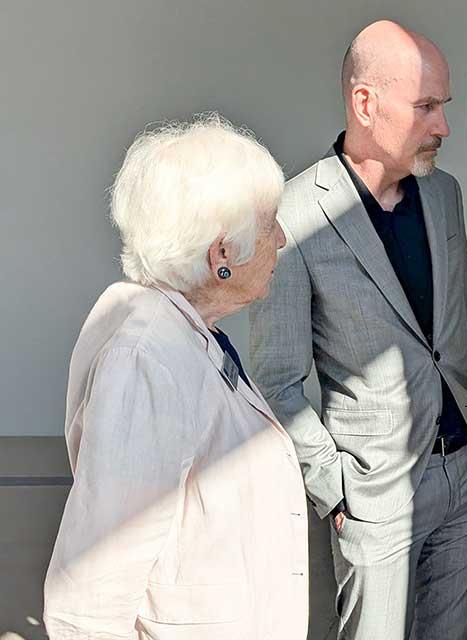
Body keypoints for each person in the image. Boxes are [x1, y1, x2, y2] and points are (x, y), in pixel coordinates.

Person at [248, 20, 467, 640]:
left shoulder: (443, 194)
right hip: (376, 494)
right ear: (365, 103)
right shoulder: (293, 215)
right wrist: (337, 491)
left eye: (443, 107)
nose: (443, 126)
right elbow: (276, 381)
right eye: (426, 106)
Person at [43, 114, 308, 639]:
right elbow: (89, 599)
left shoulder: (186, 335)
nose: (281, 237)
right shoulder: (147, 359)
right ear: (222, 254)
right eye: (268, 221)